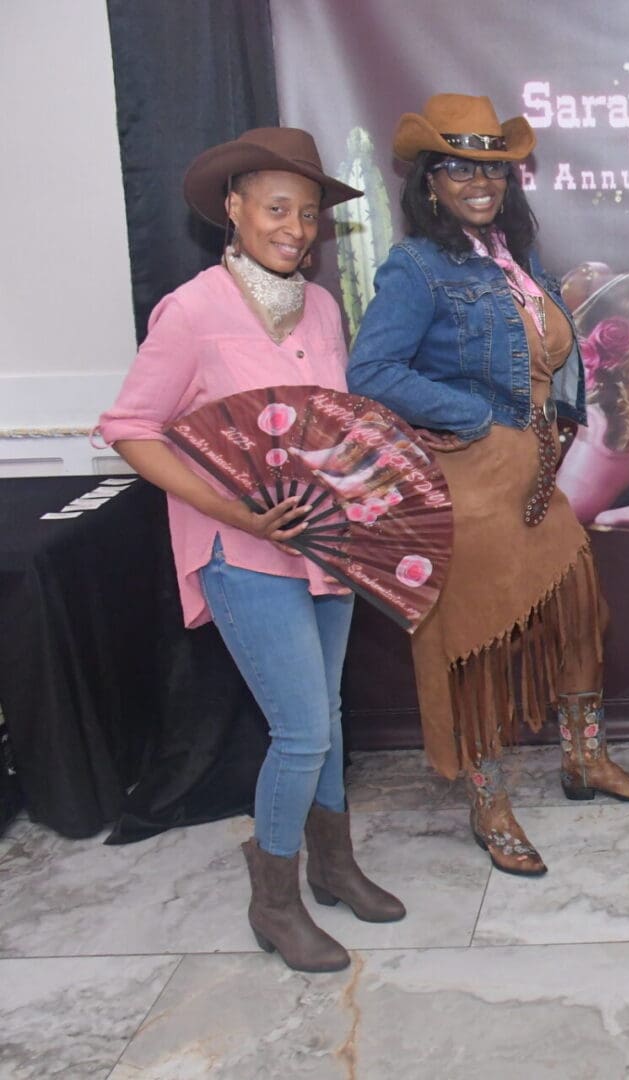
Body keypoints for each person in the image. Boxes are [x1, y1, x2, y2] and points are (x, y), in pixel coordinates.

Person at [96, 128, 402, 974]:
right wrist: (228, 507)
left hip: (328, 548)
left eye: (306, 214)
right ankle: (273, 899)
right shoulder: (192, 311)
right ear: (232, 209)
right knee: (300, 731)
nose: (294, 228)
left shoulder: (324, 308)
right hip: (243, 552)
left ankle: (334, 867)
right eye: (276, 208)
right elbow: (130, 427)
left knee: (328, 719)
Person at [347, 94, 629, 879]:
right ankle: (488, 804)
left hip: (536, 476)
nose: (479, 182)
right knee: (482, 646)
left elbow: (550, 359)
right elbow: (371, 370)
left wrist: (558, 423)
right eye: (459, 168)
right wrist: (477, 421)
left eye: (491, 168)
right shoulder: (417, 267)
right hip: (472, 480)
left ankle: (584, 760)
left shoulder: (513, 259)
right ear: (429, 183)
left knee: (580, 618)